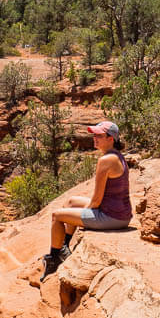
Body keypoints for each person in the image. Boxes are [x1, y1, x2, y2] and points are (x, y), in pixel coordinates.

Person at [41, 120, 132, 281]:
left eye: (99, 135)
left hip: (112, 217)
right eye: (94, 135)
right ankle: (64, 246)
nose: (94, 138)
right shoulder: (117, 156)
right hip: (119, 213)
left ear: (111, 138)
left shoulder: (106, 160)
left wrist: (86, 214)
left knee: (57, 215)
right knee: (71, 202)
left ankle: (54, 259)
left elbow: (96, 200)